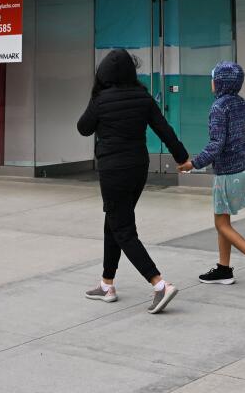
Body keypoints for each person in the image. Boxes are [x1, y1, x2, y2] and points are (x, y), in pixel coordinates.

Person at [77, 49, 189, 314]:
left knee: (123, 228)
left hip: (113, 170)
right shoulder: (142, 97)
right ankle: (107, 284)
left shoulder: (101, 100)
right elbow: (164, 128)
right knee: (113, 221)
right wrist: (181, 157)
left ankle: (159, 283)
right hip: (138, 168)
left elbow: (83, 128)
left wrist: (95, 98)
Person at [178, 61, 245, 289]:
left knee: (221, 224)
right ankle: (223, 269)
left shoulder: (219, 107)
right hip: (244, 167)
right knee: (224, 220)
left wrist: (194, 163)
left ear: (220, 82)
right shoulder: (241, 103)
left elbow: (216, 144)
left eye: (213, 77)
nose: (211, 81)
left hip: (228, 174)